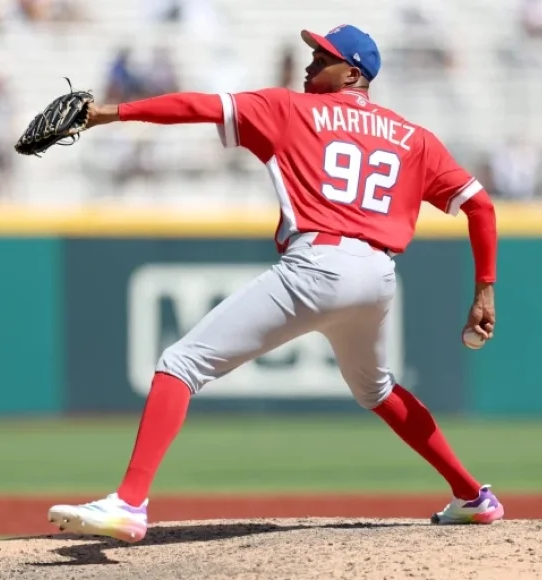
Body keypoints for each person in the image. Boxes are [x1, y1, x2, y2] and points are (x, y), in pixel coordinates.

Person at [48, 24, 503, 542]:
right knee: (377, 389)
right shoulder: (414, 137)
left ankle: (129, 504)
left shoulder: (289, 108)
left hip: (318, 266)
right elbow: (479, 204)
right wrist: (484, 289)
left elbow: (197, 107)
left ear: (353, 73)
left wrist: (110, 112)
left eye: (323, 57)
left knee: (181, 362)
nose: (310, 63)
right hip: (376, 277)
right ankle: (474, 496)